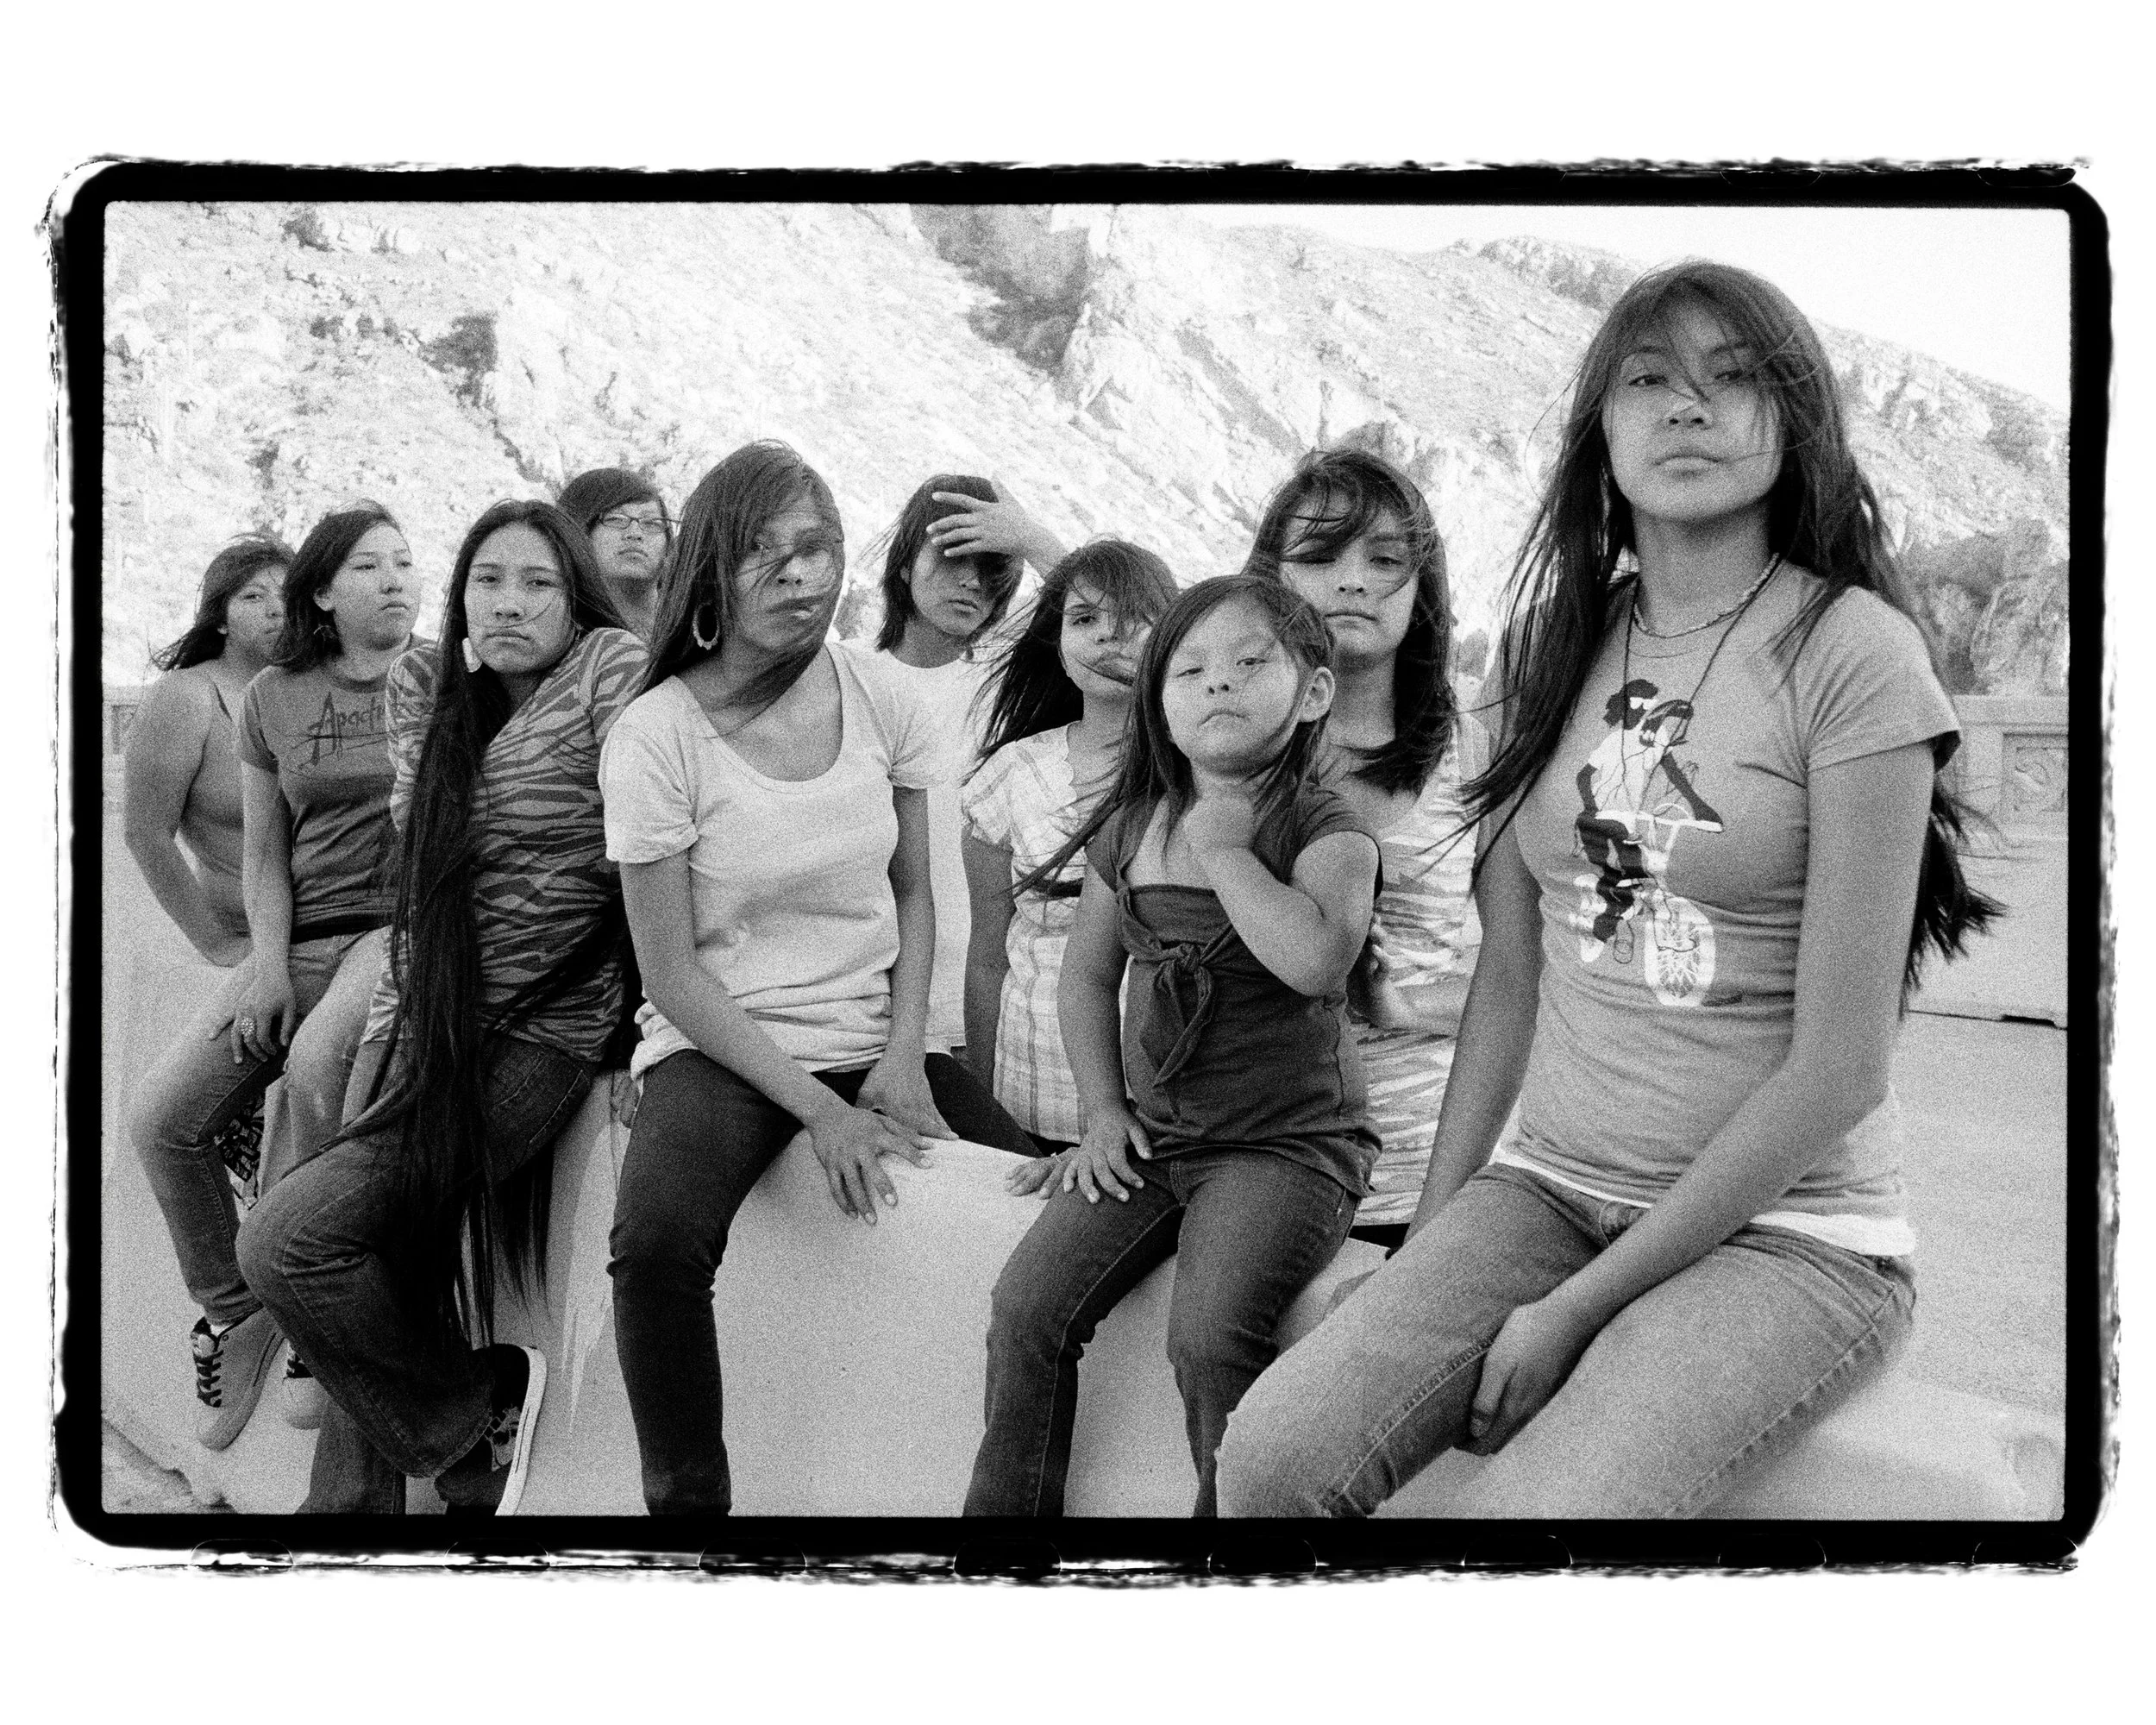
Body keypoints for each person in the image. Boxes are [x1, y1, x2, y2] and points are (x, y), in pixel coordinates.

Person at [1215, 260, 1999, 1520]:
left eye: (1734, 379)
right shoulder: (1549, 649)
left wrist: (1580, 1307)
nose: (1687, 409)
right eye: (1648, 381)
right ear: (1602, 434)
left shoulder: (1855, 653)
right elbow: (1510, 981)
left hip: (1793, 1239)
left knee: (1528, 1528)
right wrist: (1433, 1243)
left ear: (1795, 425)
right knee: (1270, 1460)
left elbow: (1842, 1065)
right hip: (1548, 1190)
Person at [599, 442, 1039, 1517]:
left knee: (1039, 1193)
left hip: (872, 1031)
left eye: (818, 549)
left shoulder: (881, 690)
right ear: (711, 570)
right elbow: (671, 972)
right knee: (654, 1243)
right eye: (765, 554)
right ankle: (690, 1518)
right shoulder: (655, 735)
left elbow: (917, 895)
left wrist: (897, 1061)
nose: (800, 575)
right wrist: (818, 1110)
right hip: (724, 1042)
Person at [239, 500, 647, 1514]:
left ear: (575, 597)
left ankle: (477, 1406)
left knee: (288, 1238)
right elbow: (420, 858)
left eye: (537, 582)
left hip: (547, 1026)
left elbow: (652, 856)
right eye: (487, 581)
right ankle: (388, 1499)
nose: (508, 603)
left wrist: (649, 1029)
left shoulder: (609, 669)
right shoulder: (429, 684)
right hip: (432, 1010)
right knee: (379, 1252)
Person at [962, 575, 1382, 1519]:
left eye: (1247, 663)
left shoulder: (1326, 830)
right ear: (1157, 701)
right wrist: (1103, 1111)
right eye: (1188, 669)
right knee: (1027, 1306)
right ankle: (1003, 1545)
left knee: (1207, 1334)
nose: (1216, 684)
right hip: (1155, 1137)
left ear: (1312, 692)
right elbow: (1083, 977)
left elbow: (1316, 961)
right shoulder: (1134, 825)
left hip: (1283, 1147)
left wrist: (1229, 851)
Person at [128, 505, 413, 1448]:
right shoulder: (272, 698)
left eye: (405, 563)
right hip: (295, 937)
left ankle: (313, 1316)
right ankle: (238, 1308)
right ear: (323, 591)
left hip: (395, 931)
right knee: (162, 1120)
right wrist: (258, 967)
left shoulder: (443, 680)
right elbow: (264, 854)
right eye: (369, 565)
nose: (394, 578)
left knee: (316, 1069)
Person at [1243, 448, 1486, 1250]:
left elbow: (1534, 977)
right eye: (1318, 556)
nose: (1352, 581)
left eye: (1385, 560)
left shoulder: (1475, 753)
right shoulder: (1220, 742)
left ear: (1424, 592)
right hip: (1248, 1158)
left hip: (1424, 1171)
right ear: (1270, 579)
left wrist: (1402, 1004)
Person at [960, 539, 1178, 1158]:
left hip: (1158, 1102)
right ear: (1055, 640)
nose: (1112, 639)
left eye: (1136, 619)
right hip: (1031, 1087)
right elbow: (987, 956)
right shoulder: (1012, 775)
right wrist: (985, 1098)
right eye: (1085, 620)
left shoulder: (1197, 773)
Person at [855, 475, 1062, 1058]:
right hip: (859, 997)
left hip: (982, 992)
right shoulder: (843, 677)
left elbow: (1134, 633)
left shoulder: (1006, 682)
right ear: (904, 565)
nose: (972, 581)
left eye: (994, 568)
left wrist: (1033, 540)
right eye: (953, 558)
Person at [124, 533, 291, 968]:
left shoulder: (317, 688)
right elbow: (146, 833)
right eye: (254, 597)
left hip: (337, 929)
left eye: (288, 594)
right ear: (220, 620)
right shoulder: (187, 696)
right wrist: (218, 945)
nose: (277, 609)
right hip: (245, 938)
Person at [558, 467, 673, 643]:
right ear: (576, 533)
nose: (635, 533)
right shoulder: (556, 640)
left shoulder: (699, 630)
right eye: (616, 519)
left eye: (651, 523)